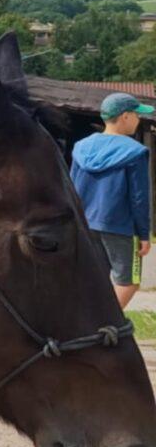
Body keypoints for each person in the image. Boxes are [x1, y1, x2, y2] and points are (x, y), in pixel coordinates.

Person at [71, 91, 153, 310]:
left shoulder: (81, 147)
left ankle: (89, 322)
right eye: (137, 114)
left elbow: (71, 188)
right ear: (125, 116)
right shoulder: (135, 152)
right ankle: (106, 323)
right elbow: (139, 198)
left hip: (85, 225)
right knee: (129, 282)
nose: (139, 119)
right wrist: (144, 234)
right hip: (120, 227)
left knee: (94, 279)